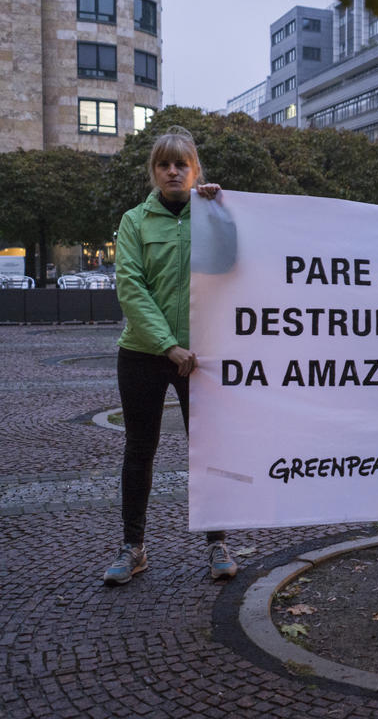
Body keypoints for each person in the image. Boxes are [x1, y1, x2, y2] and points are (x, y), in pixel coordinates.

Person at [103, 126, 239, 585]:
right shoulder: (134, 221)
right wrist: (168, 345)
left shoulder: (211, 214)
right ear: (154, 171)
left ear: (195, 169)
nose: (173, 171)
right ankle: (133, 547)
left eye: (182, 164)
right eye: (165, 164)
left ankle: (217, 542)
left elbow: (230, 266)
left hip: (202, 356)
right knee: (140, 449)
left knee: (208, 449)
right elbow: (131, 287)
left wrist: (222, 213)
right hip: (144, 352)